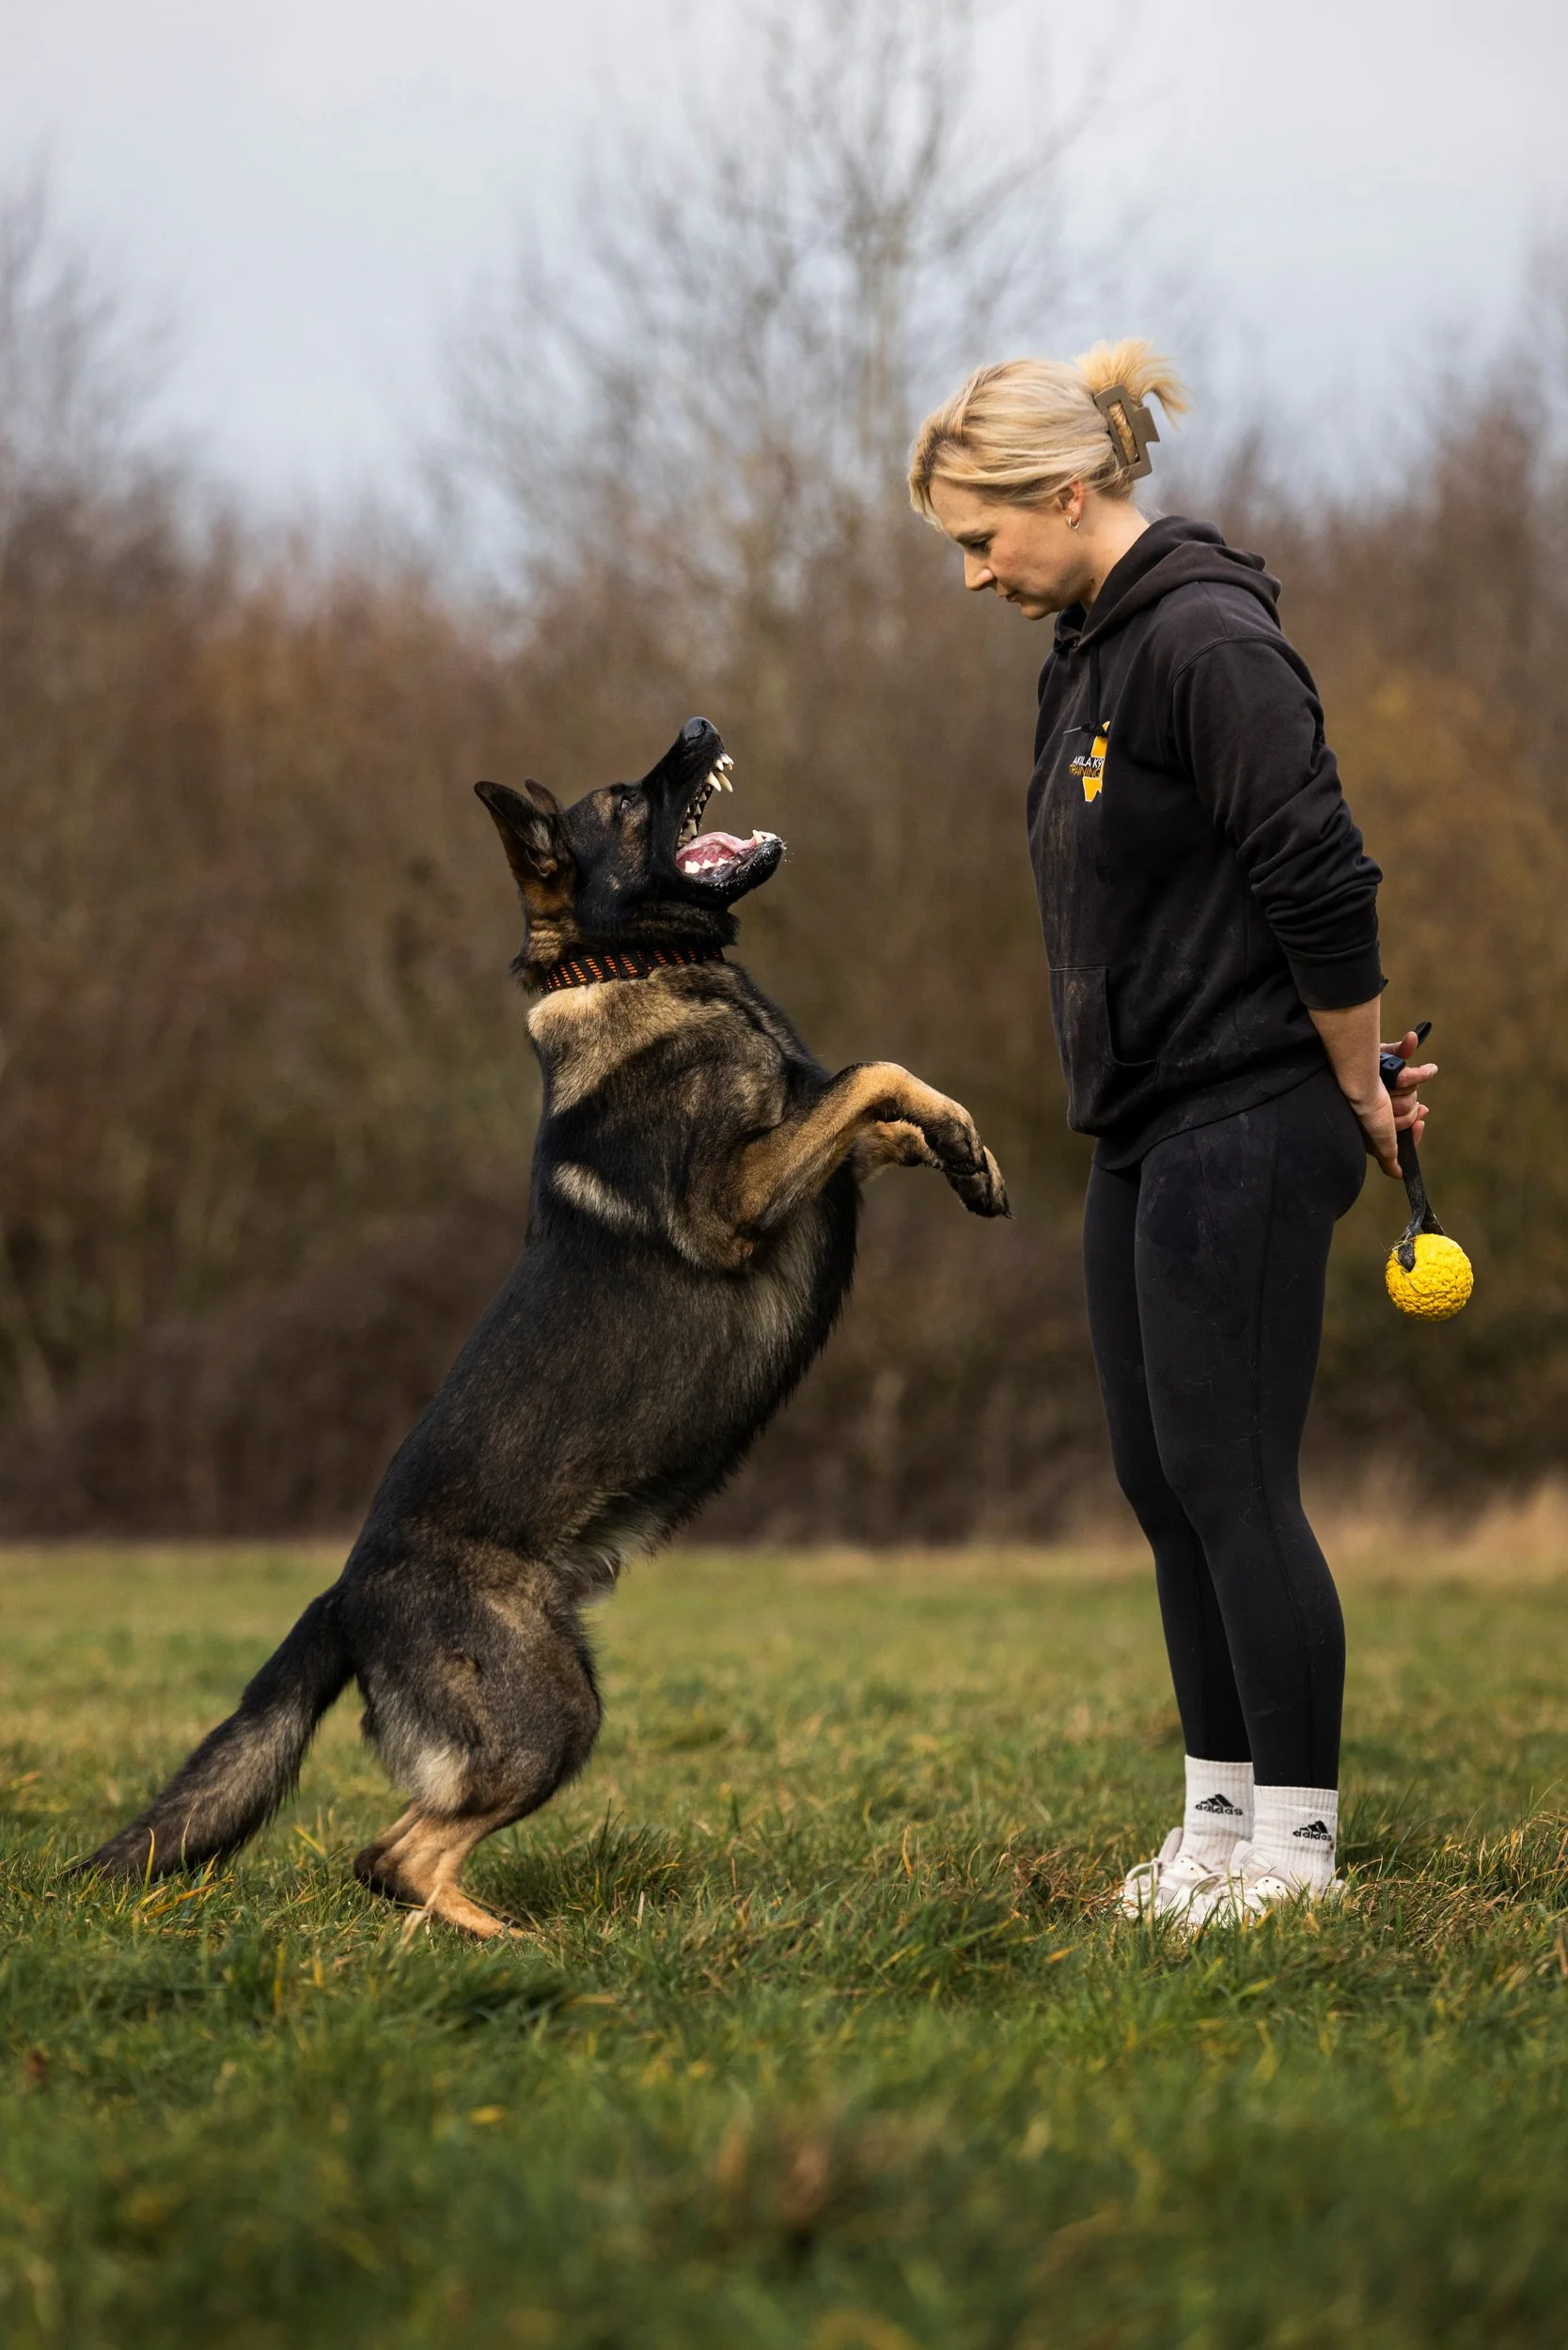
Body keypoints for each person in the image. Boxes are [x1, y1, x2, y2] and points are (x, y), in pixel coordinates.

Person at [908, 340, 1435, 1925]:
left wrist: (1353, 1087)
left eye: (978, 536)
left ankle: (1297, 1856)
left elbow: (1322, 880)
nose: (969, 571)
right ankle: (1215, 1833)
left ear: (1068, 494)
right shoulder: (1086, 650)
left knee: (1232, 1479)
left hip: (1256, 1112)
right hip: (1147, 1124)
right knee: (1161, 1477)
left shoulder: (1206, 638)